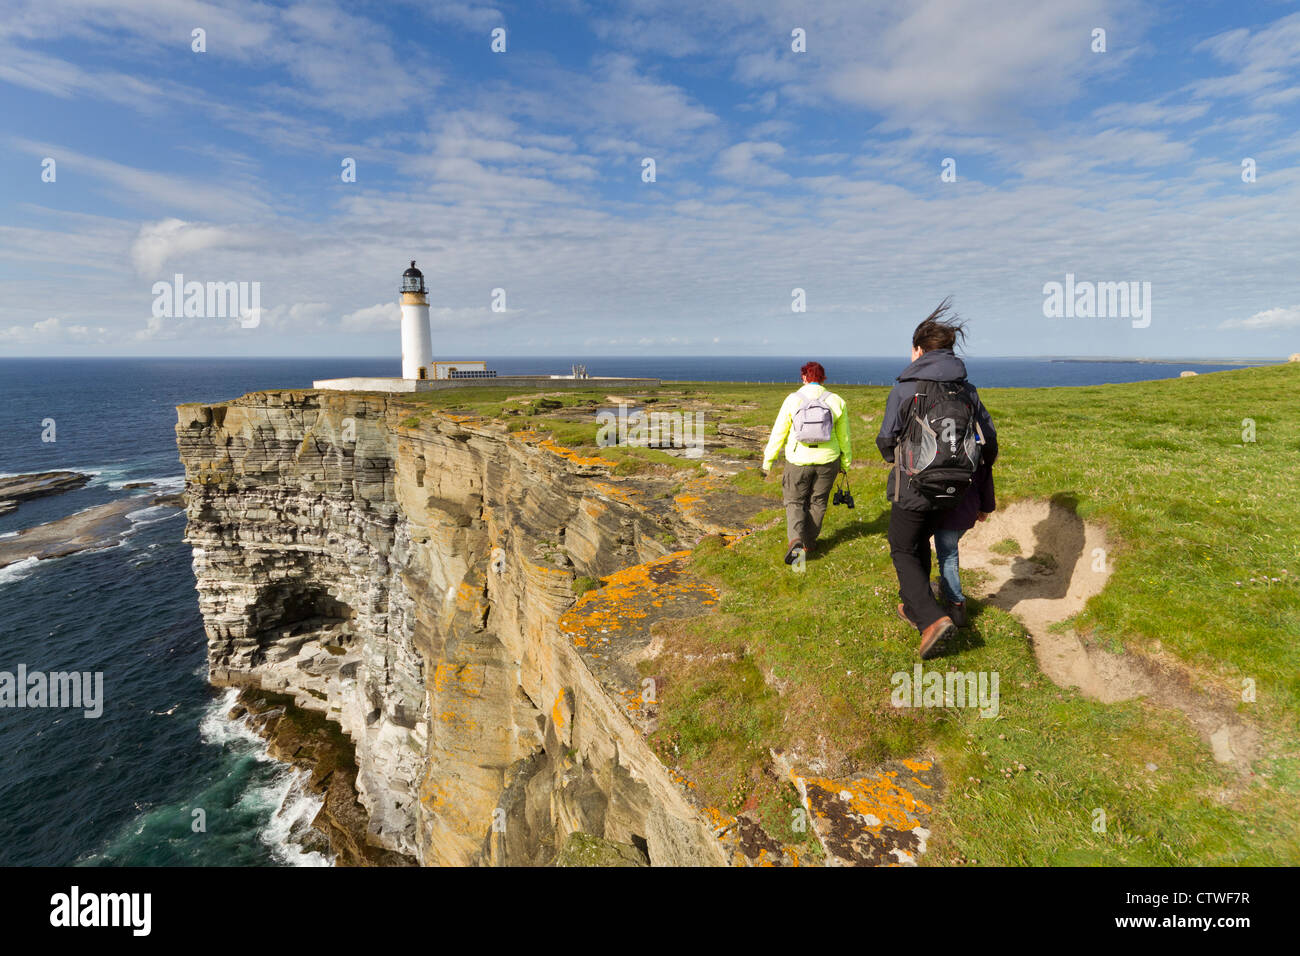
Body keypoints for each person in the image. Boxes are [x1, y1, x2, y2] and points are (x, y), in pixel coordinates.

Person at [876, 300, 997, 658]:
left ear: (917, 350)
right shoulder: (967, 390)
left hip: (914, 486)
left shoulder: (906, 388)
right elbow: (988, 442)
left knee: (901, 547)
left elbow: (886, 439)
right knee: (917, 545)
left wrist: (896, 459)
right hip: (956, 487)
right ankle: (914, 608)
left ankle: (932, 617)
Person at [761, 361, 852, 565]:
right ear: (822, 378)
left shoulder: (793, 400)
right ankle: (809, 543)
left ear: (804, 377)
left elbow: (779, 432)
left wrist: (769, 461)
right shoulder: (836, 401)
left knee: (794, 502)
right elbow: (844, 436)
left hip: (798, 461)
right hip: (828, 460)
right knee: (818, 502)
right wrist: (845, 462)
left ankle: (795, 541)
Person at [933, 458, 996, 627]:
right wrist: (986, 507)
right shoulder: (977, 444)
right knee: (949, 553)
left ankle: (956, 604)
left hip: (946, 511)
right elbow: (986, 474)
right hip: (969, 509)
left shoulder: (944, 442)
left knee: (948, 556)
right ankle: (947, 588)